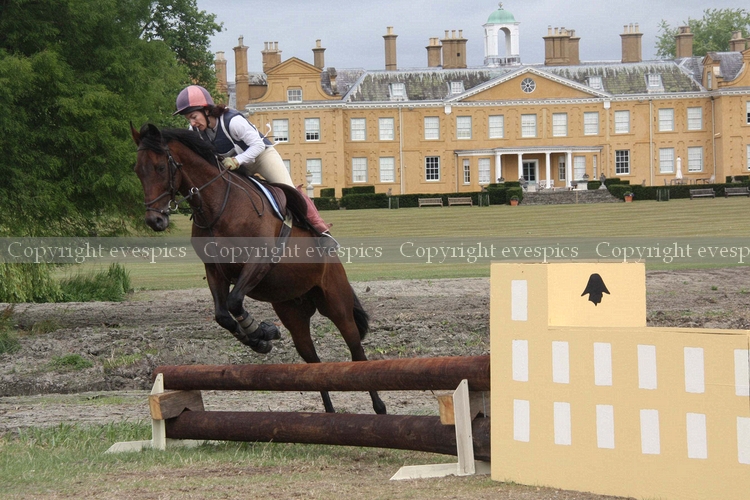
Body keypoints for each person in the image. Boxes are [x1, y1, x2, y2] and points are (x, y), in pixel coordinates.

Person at [173, 85, 336, 247]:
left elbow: (258, 145)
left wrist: (237, 160)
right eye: (189, 119)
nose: (192, 123)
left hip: (262, 157)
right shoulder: (195, 132)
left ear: (206, 110)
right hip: (237, 167)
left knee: (290, 190)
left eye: (194, 116)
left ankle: (321, 231)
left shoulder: (232, 121)